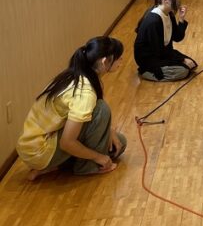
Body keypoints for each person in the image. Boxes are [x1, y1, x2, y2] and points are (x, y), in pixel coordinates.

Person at [16, 37, 127, 180]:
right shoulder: (84, 93)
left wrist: (110, 130)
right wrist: (99, 157)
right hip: (40, 150)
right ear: (105, 61)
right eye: (119, 58)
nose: (122, 61)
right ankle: (86, 167)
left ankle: (52, 166)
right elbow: (67, 142)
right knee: (102, 110)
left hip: (35, 143)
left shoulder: (78, 73)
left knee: (120, 142)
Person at [134, 0, 198, 81]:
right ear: (165, 0)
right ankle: (147, 72)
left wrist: (181, 19)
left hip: (163, 53)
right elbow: (158, 51)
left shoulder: (169, 14)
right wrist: (181, 60)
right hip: (151, 59)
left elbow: (178, 37)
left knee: (192, 64)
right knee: (184, 71)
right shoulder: (153, 21)